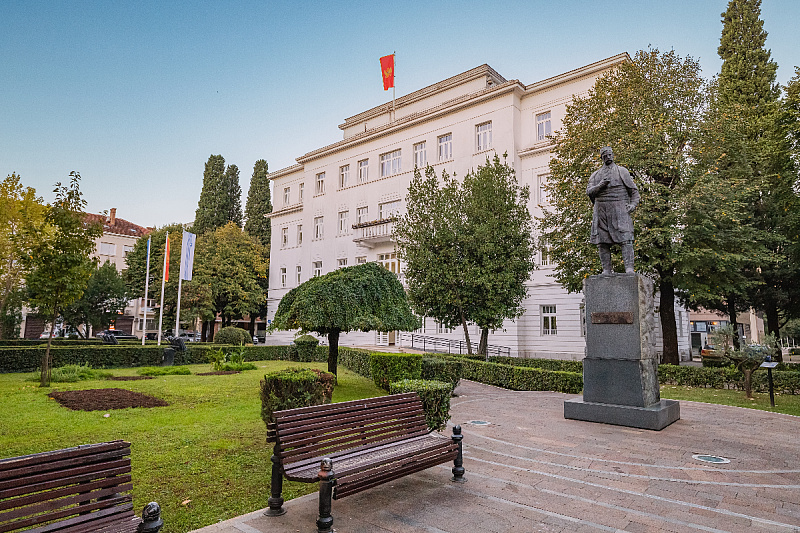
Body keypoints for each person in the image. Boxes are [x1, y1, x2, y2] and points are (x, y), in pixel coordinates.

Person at [586, 146, 640, 274]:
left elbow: (634, 191)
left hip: (620, 207)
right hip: (601, 209)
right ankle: (606, 270)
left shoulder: (622, 171)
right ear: (602, 157)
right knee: (602, 241)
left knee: (626, 238)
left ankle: (629, 268)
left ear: (613, 155)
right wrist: (600, 186)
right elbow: (589, 192)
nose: (608, 157)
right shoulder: (595, 175)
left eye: (610, 154)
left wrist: (632, 205)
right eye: (605, 155)